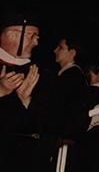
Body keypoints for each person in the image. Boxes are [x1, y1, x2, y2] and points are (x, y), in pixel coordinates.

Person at [0, 10, 57, 172]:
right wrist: (2, 92)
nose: (36, 43)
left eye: (37, 37)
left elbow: (49, 123)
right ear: (11, 34)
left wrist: (25, 101)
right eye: (32, 36)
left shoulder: (42, 74)